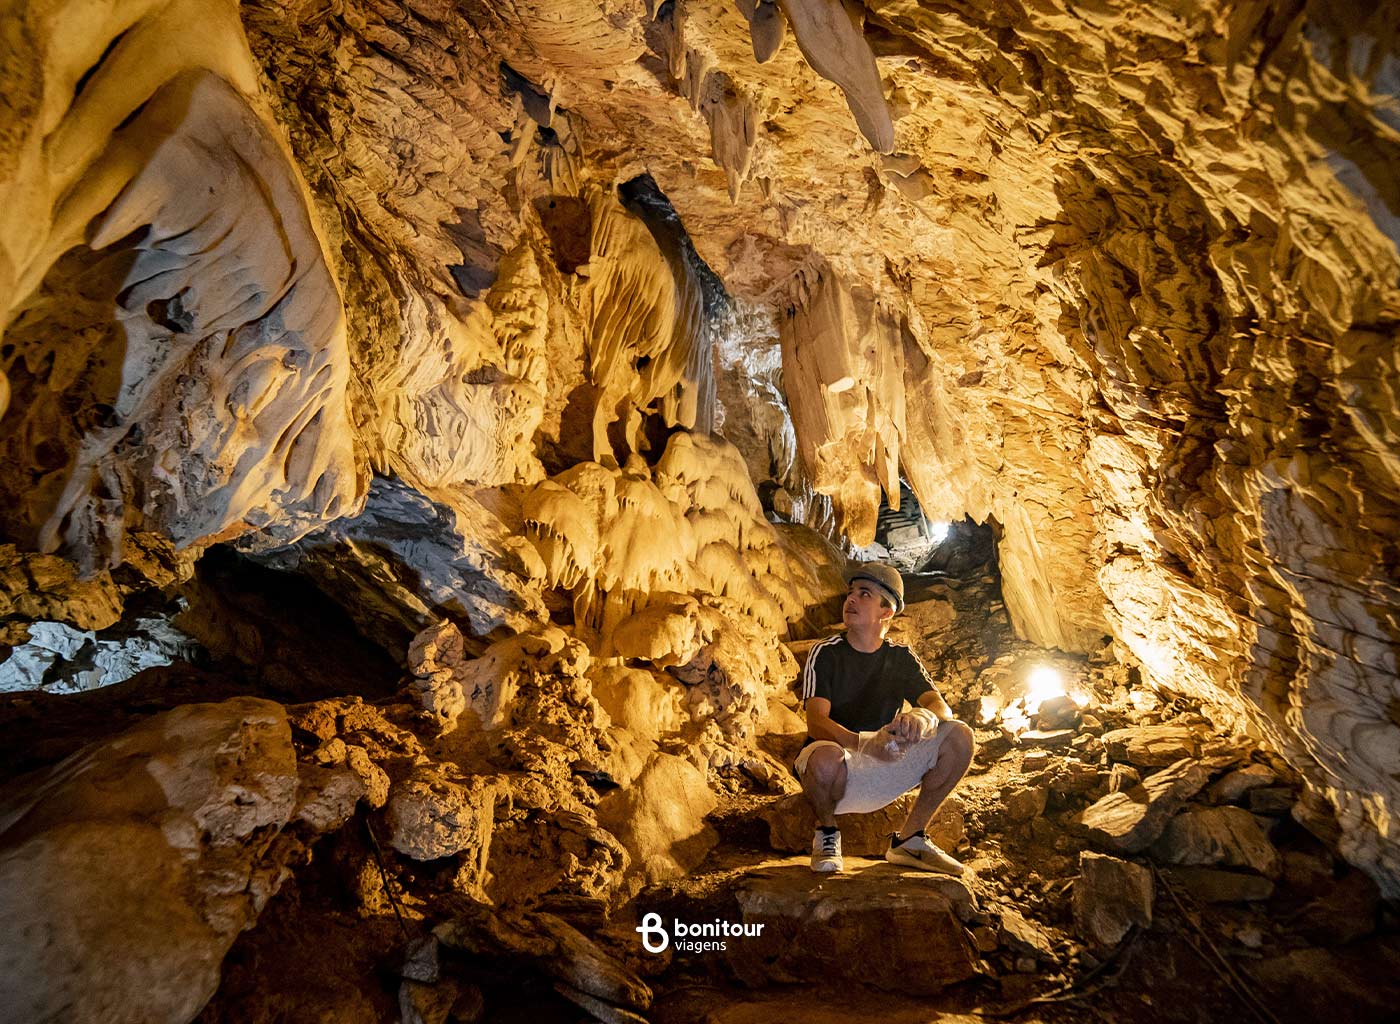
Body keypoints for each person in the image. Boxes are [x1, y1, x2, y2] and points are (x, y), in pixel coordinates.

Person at [795, 563, 975, 874]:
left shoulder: (899, 657)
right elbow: (816, 722)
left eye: (864, 594)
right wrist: (866, 743)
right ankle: (826, 833)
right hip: (838, 767)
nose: (851, 600)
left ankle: (910, 840)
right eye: (851, 593)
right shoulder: (825, 653)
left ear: (886, 612)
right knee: (824, 757)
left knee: (959, 737)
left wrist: (920, 717)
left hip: (884, 763)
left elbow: (941, 708)